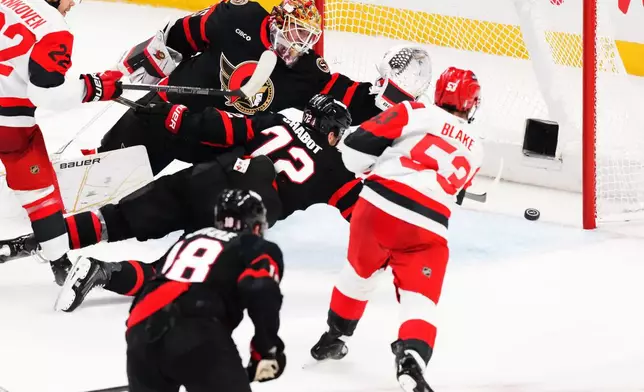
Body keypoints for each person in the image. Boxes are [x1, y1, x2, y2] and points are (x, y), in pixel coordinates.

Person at [52, 94, 364, 312]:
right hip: (236, 216)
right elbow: (364, 213)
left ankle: (38, 240)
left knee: (116, 218)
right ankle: (103, 272)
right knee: (171, 274)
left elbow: (221, 127)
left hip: (204, 179)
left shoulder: (277, 121)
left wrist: (176, 119)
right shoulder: (336, 169)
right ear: (332, 131)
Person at [93, 0, 432, 174]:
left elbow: (350, 99)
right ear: (277, 22)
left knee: (215, 196)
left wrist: (393, 96)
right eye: (294, 33)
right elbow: (181, 33)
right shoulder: (237, 18)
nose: (296, 46)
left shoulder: (305, 69)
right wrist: (144, 64)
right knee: (103, 176)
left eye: (306, 40)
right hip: (169, 113)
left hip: (219, 143)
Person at [309, 67, 484, 392]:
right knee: (420, 301)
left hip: (376, 205)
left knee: (358, 274)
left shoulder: (414, 110)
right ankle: (411, 360)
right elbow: (455, 194)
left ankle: (333, 339)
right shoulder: (477, 148)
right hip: (427, 224)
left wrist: (375, 164)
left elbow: (354, 152)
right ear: (471, 104)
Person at [0, 0, 123, 283]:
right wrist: (94, 87)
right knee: (40, 194)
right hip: (9, 126)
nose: (72, 4)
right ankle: (61, 266)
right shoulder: (53, 27)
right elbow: (46, 93)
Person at [124, 188, 285, 392]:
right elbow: (260, 287)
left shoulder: (188, 240)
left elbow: (155, 283)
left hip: (141, 329)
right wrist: (266, 349)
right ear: (255, 224)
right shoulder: (255, 245)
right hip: (197, 331)